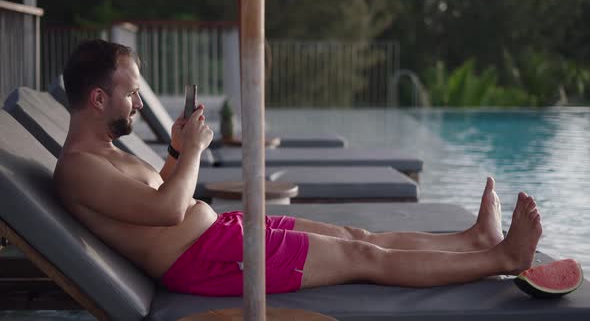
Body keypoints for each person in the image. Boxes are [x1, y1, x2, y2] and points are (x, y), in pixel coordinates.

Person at [54, 39, 543, 297]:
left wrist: (179, 151)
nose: (139, 102)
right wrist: (196, 152)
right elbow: (165, 210)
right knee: (362, 259)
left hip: (221, 236)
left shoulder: (106, 153)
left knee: (357, 235)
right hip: (207, 261)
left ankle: (473, 241)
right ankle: (503, 260)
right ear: (99, 98)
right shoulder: (79, 168)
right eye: (131, 92)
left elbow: (157, 194)